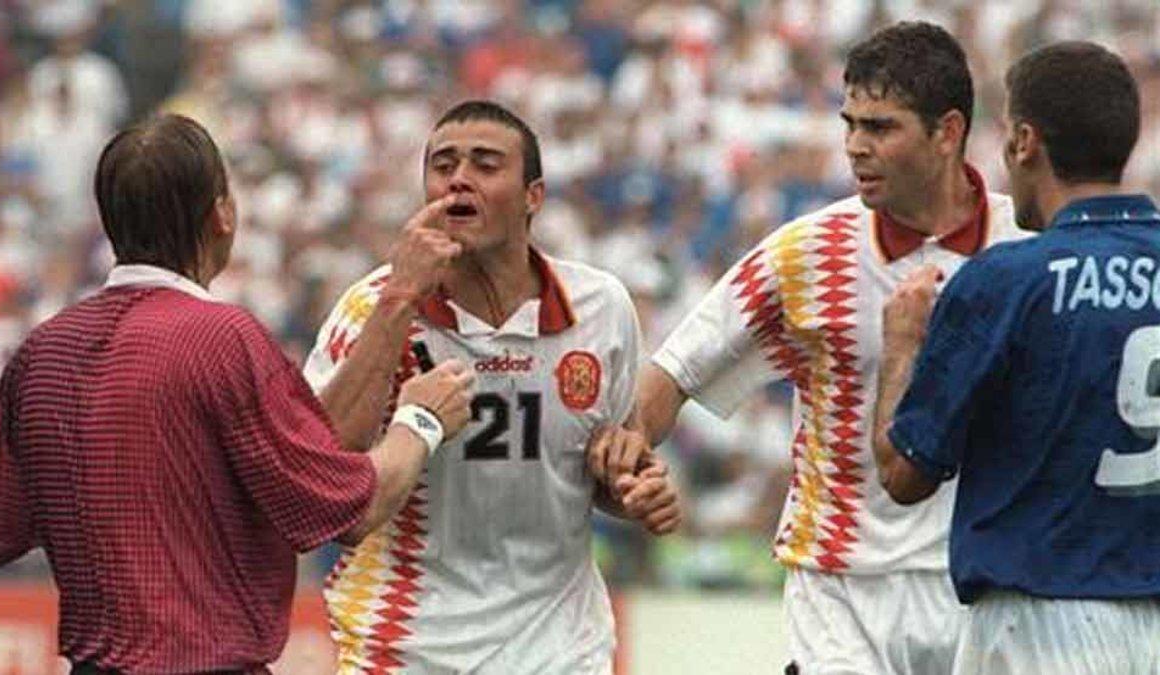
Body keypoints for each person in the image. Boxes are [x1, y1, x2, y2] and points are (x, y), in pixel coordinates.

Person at [588, 21, 1031, 673]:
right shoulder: (807, 253)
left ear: (947, 131)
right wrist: (630, 459)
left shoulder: (1027, 248)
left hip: (980, 583)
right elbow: (675, 372)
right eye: (849, 124)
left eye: (880, 127)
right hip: (838, 589)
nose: (855, 147)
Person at [0, 114, 476, 674]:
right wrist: (420, 420)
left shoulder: (42, 353)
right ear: (223, 216)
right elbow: (348, 509)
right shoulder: (220, 339)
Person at [303, 100, 681, 674]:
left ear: (534, 196)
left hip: (561, 645)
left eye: (485, 164)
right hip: (407, 643)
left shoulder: (601, 309)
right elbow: (315, 465)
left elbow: (603, 466)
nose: (459, 178)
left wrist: (631, 486)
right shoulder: (373, 306)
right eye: (443, 165)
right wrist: (400, 300)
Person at [873, 41, 1160, 674]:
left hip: (1040, 622)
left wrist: (900, 347)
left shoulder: (1006, 280)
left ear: (1026, 141)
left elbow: (903, 473)